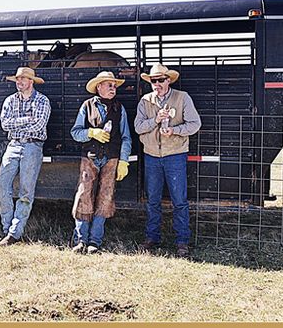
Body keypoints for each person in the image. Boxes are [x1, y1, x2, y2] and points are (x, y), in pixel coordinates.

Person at [134, 63, 201, 257]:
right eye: (154, 81)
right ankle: (152, 237)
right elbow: (138, 127)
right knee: (153, 200)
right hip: (152, 156)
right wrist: (154, 120)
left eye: (161, 80)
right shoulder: (145, 101)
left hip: (175, 156)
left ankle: (182, 241)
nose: (157, 84)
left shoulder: (182, 97)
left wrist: (175, 131)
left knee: (179, 201)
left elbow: (195, 124)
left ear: (168, 80)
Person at [69, 71, 132, 254]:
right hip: (90, 157)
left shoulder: (120, 108)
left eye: (114, 86)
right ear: (99, 87)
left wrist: (123, 161)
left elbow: (126, 138)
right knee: (84, 196)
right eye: (109, 85)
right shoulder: (87, 106)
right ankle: (81, 240)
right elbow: (75, 132)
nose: (113, 88)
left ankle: (94, 242)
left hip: (111, 158)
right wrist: (91, 132)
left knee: (105, 198)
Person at [0, 67, 51, 246]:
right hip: (13, 145)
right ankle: (7, 229)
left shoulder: (42, 100)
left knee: (26, 192)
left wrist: (17, 124)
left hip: (33, 145)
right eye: (17, 79)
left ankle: (14, 233)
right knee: (1, 187)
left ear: (31, 81)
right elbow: (5, 124)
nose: (19, 82)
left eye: (23, 79)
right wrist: (27, 119)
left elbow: (39, 125)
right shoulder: (10, 100)